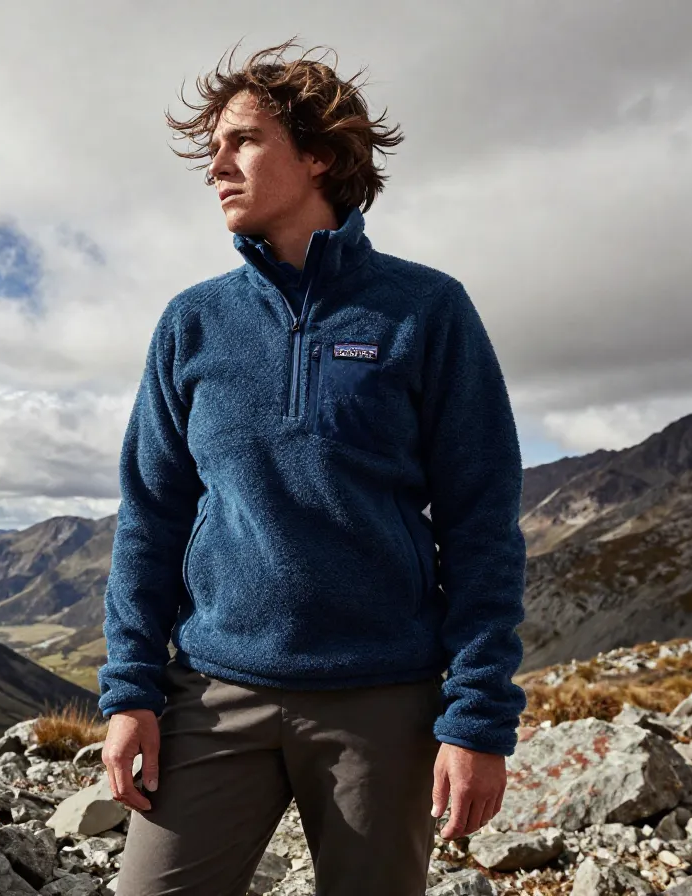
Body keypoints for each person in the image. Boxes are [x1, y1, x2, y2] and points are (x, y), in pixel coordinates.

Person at [96, 38, 527, 896]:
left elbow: (482, 522)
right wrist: (129, 693)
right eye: (212, 148)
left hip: (383, 702)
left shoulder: (426, 311)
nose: (217, 165)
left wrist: (477, 719)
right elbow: (150, 514)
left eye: (242, 141)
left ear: (321, 154)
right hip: (213, 693)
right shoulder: (193, 323)